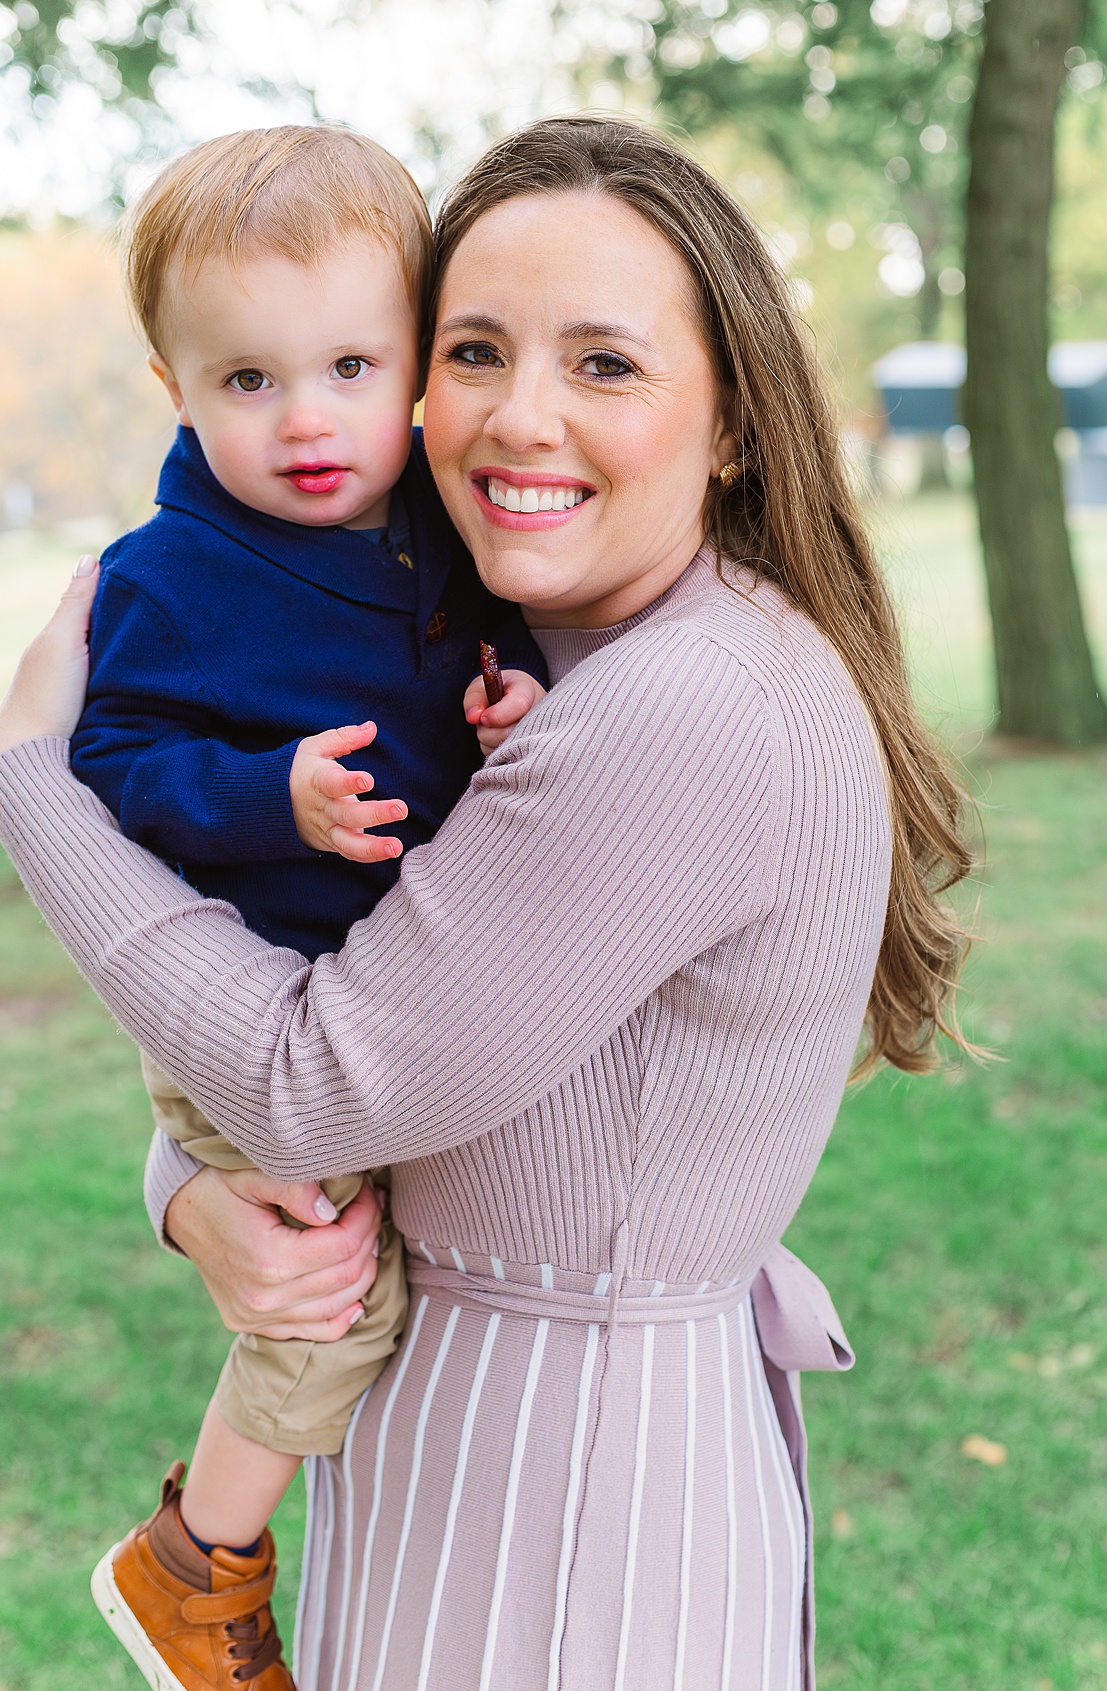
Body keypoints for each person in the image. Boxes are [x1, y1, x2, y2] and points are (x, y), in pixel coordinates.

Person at [0, 115, 973, 1690]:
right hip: (472, 1442)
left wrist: (31, 782)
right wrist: (190, 1187)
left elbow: (316, 1083)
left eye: (605, 363)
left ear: (731, 421)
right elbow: (369, 1007)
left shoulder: (682, 708)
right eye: (475, 350)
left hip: (566, 1510)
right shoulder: (545, 654)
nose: (521, 418)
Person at [65, 124, 547, 1691]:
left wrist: (503, 704)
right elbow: (112, 762)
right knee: (331, 1298)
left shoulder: (437, 535)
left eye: (350, 364)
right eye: (247, 382)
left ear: (413, 356)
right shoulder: (168, 580)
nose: (307, 419)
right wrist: (265, 795)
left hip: (389, 1005)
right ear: (176, 386)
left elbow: (473, 670)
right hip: (248, 1012)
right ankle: (191, 1573)